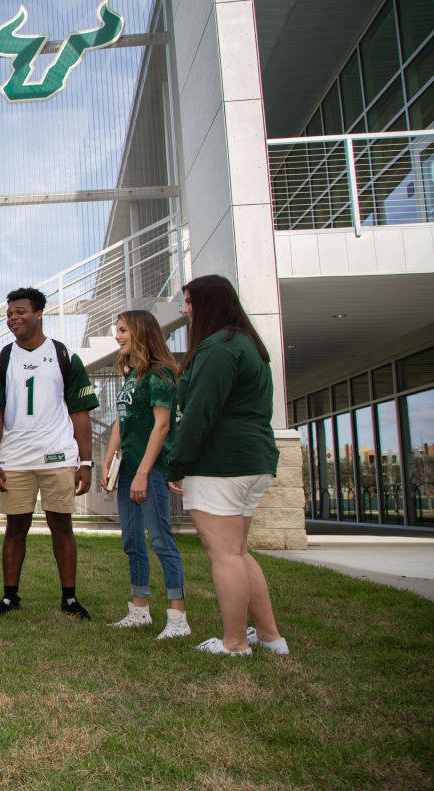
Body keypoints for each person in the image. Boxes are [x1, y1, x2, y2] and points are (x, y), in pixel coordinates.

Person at [166, 274, 289, 657]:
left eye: (189, 302)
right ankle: (270, 637)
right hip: (251, 462)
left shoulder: (219, 348)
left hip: (222, 464)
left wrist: (177, 462)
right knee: (238, 551)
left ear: (209, 304)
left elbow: (200, 413)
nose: (185, 311)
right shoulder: (246, 343)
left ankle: (234, 642)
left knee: (224, 554)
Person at [0, 287, 99, 619]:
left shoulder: (64, 356)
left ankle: (70, 598)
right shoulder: (1, 359)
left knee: (62, 524)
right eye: (9, 314)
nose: (13, 318)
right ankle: (9, 597)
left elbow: (80, 412)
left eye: (20, 312)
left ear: (39, 314)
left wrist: (85, 462)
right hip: (15, 458)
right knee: (15, 527)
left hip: (57, 455)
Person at [102, 310, 190, 639]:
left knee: (162, 540)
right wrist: (110, 458)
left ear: (140, 332)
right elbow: (120, 421)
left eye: (123, 330)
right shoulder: (132, 376)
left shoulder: (160, 374)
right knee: (132, 541)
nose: (117, 336)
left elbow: (162, 425)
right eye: (117, 330)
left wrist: (142, 473)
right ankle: (139, 609)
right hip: (127, 470)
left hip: (149, 471)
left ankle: (178, 617)